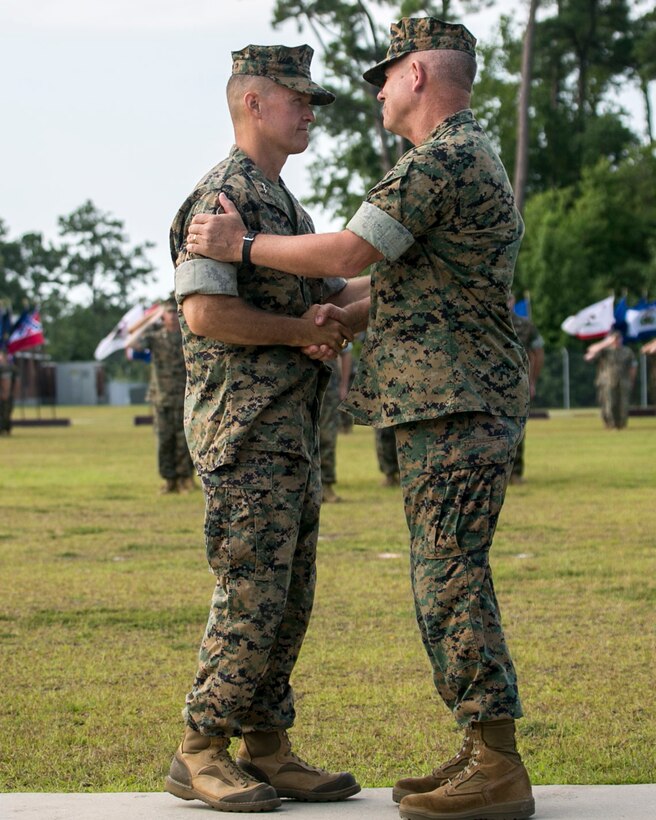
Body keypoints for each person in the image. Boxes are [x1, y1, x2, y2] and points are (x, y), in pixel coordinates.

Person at [188, 17, 534, 820]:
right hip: (432, 403)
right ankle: (479, 752)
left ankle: (496, 761)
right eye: (297, 96)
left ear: (417, 75)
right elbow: (377, 287)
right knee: (433, 577)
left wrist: (245, 248)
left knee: (449, 579)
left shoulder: (442, 160)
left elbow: (347, 256)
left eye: (385, 74)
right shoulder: (459, 155)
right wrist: (326, 315)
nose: (373, 90)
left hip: (455, 402)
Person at [165, 43, 365, 813]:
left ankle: (267, 745)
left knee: (288, 595)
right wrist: (298, 332)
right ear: (253, 102)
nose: (310, 111)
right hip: (244, 431)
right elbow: (205, 313)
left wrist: (407, 271)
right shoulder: (221, 200)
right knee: (250, 591)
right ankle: (200, 749)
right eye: (298, 98)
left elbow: (335, 288)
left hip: (291, 432)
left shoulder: (287, 208)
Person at [127, 296, 196, 494]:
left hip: (185, 396)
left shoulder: (188, 335)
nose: (172, 317)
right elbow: (131, 342)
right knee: (164, 440)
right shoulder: (155, 338)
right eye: (168, 313)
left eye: (175, 312)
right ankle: (169, 480)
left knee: (185, 440)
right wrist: (150, 319)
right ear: (162, 316)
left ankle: (186, 479)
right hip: (162, 397)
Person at [509, 302, 544, 484]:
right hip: (484, 385)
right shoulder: (482, 319)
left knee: (517, 427)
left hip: (516, 384)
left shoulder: (526, 326)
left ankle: (515, 473)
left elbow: (538, 353)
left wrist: (532, 381)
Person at [584, 330, 637, 429]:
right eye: (614, 338)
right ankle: (610, 425)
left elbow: (633, 366)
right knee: (609, 404)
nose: (617, 341)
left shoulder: (627, 351)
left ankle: (621, 425)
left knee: (623, 405)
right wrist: (606, 342)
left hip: (623, 381)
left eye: (618, 338)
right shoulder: (605, 350)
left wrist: (631, 380)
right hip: (608, 381)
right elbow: (590, 350)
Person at [319, 346, 352, 503]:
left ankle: (326, 484)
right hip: (297, 382)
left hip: (328, 386)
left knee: (327, 436)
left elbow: (346, 351)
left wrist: (343, 385)